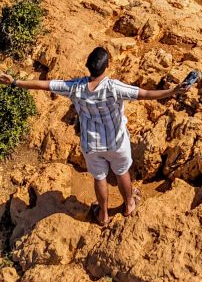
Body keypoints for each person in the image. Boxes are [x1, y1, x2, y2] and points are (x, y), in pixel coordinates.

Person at [0, 46, 187, 227]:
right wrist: (173, 91)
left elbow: (44, 85)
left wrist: (15, 82)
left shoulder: (75, 87)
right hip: (116, 142)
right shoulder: (114, 88)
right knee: (122, 173)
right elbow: (145, 94)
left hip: (91, 144)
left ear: (88, 66)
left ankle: (103, 215)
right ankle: (129, 204)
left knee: (99, 178)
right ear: (106, 67)